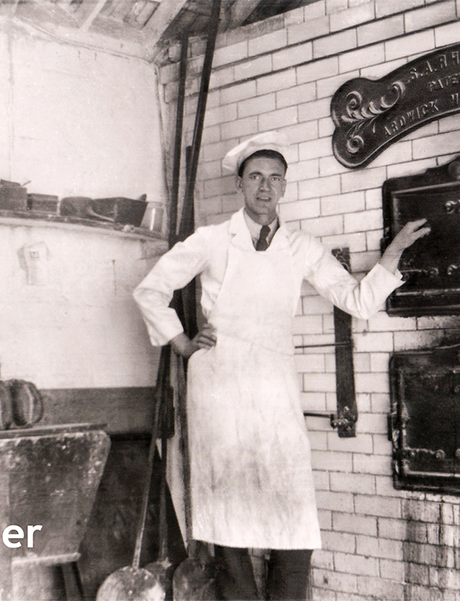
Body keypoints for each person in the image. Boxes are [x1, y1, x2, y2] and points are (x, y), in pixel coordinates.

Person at [133, 131, 429, 600]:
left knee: (292, 512)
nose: (265, 187)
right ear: (240, 186)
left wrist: (392, 256)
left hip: (274, 385)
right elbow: (149, 290)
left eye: (275, 178)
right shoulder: (211, 240)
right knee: (227, 505)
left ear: (285, 187)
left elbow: (355, 299)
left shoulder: (301, 246)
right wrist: (184, 345)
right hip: (221, 383)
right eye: (255, 177)